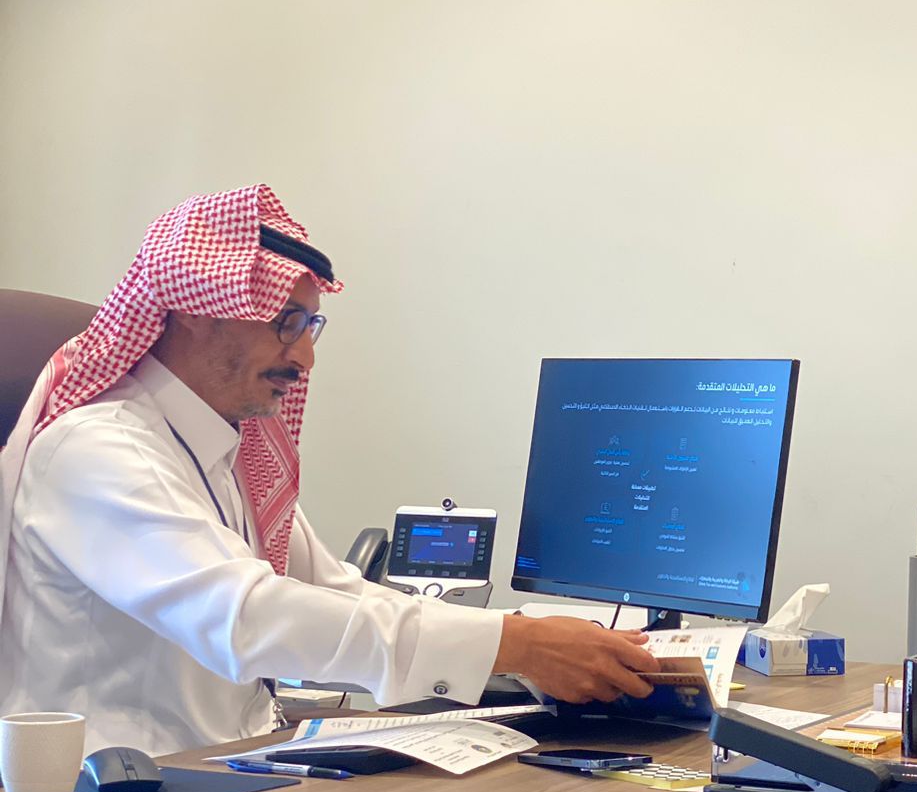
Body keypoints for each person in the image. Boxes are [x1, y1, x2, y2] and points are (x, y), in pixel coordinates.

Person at [0, 185, 659, 756]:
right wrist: (512, 645)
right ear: (199, 310)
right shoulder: (96, 451)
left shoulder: (229, 450)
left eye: (311, 326)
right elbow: (245, 618)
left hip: (231, 767)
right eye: (286, 323)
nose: (305, 359)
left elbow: (337, 592)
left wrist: (531, 641)